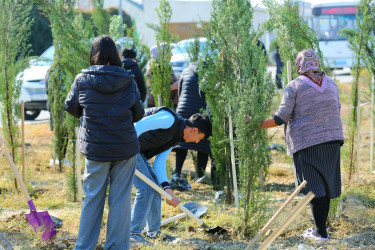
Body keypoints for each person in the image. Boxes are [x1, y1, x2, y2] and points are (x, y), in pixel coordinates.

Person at [65, 35, 144, 250]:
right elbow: (139, 113)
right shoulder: (128, 79)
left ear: (93, 55)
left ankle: (84, 247)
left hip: (95, 148)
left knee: (92, 199)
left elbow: (71, 107)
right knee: (120, 201)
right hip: (124, 147)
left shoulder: (82, 79)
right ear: (116, 56)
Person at [260, 49, 344, 241]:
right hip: (332, 140)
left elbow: (281, 117)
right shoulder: (331, 83)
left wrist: (257, 123)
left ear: (299, 64)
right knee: (326, 184)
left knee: (314, 188)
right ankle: (321, 230)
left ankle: (320, 232)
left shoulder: (294, 86)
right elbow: (336, 109)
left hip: (307, 142)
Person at [130, 107, 212, 243]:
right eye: (199, 138)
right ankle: (133, 234)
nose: (197, 142)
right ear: (194, 130)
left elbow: (159, 163)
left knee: (155, 188)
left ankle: (154, 232)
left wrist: (167, 190)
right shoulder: (169, 120)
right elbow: (137, 126)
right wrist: (127, 150)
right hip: (126, 146)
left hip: (138, 152)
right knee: (146, 188)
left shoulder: (176, 136)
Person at [173, 61, 211, 180]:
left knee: (182, 143)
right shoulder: (209, 73)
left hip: (184, 109)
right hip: (201, 111)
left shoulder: (186, 71)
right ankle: (200, 175)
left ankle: (177, 172)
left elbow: (179, 91)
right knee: (203, 143)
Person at [146, 44, 179, 108]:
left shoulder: (166, 66)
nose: (172, 54)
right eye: (169, 52)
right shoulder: (154, 68)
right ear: (162, 53)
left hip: (168, 104)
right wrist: (173, 87)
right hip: (158, 106)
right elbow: (155, 90)